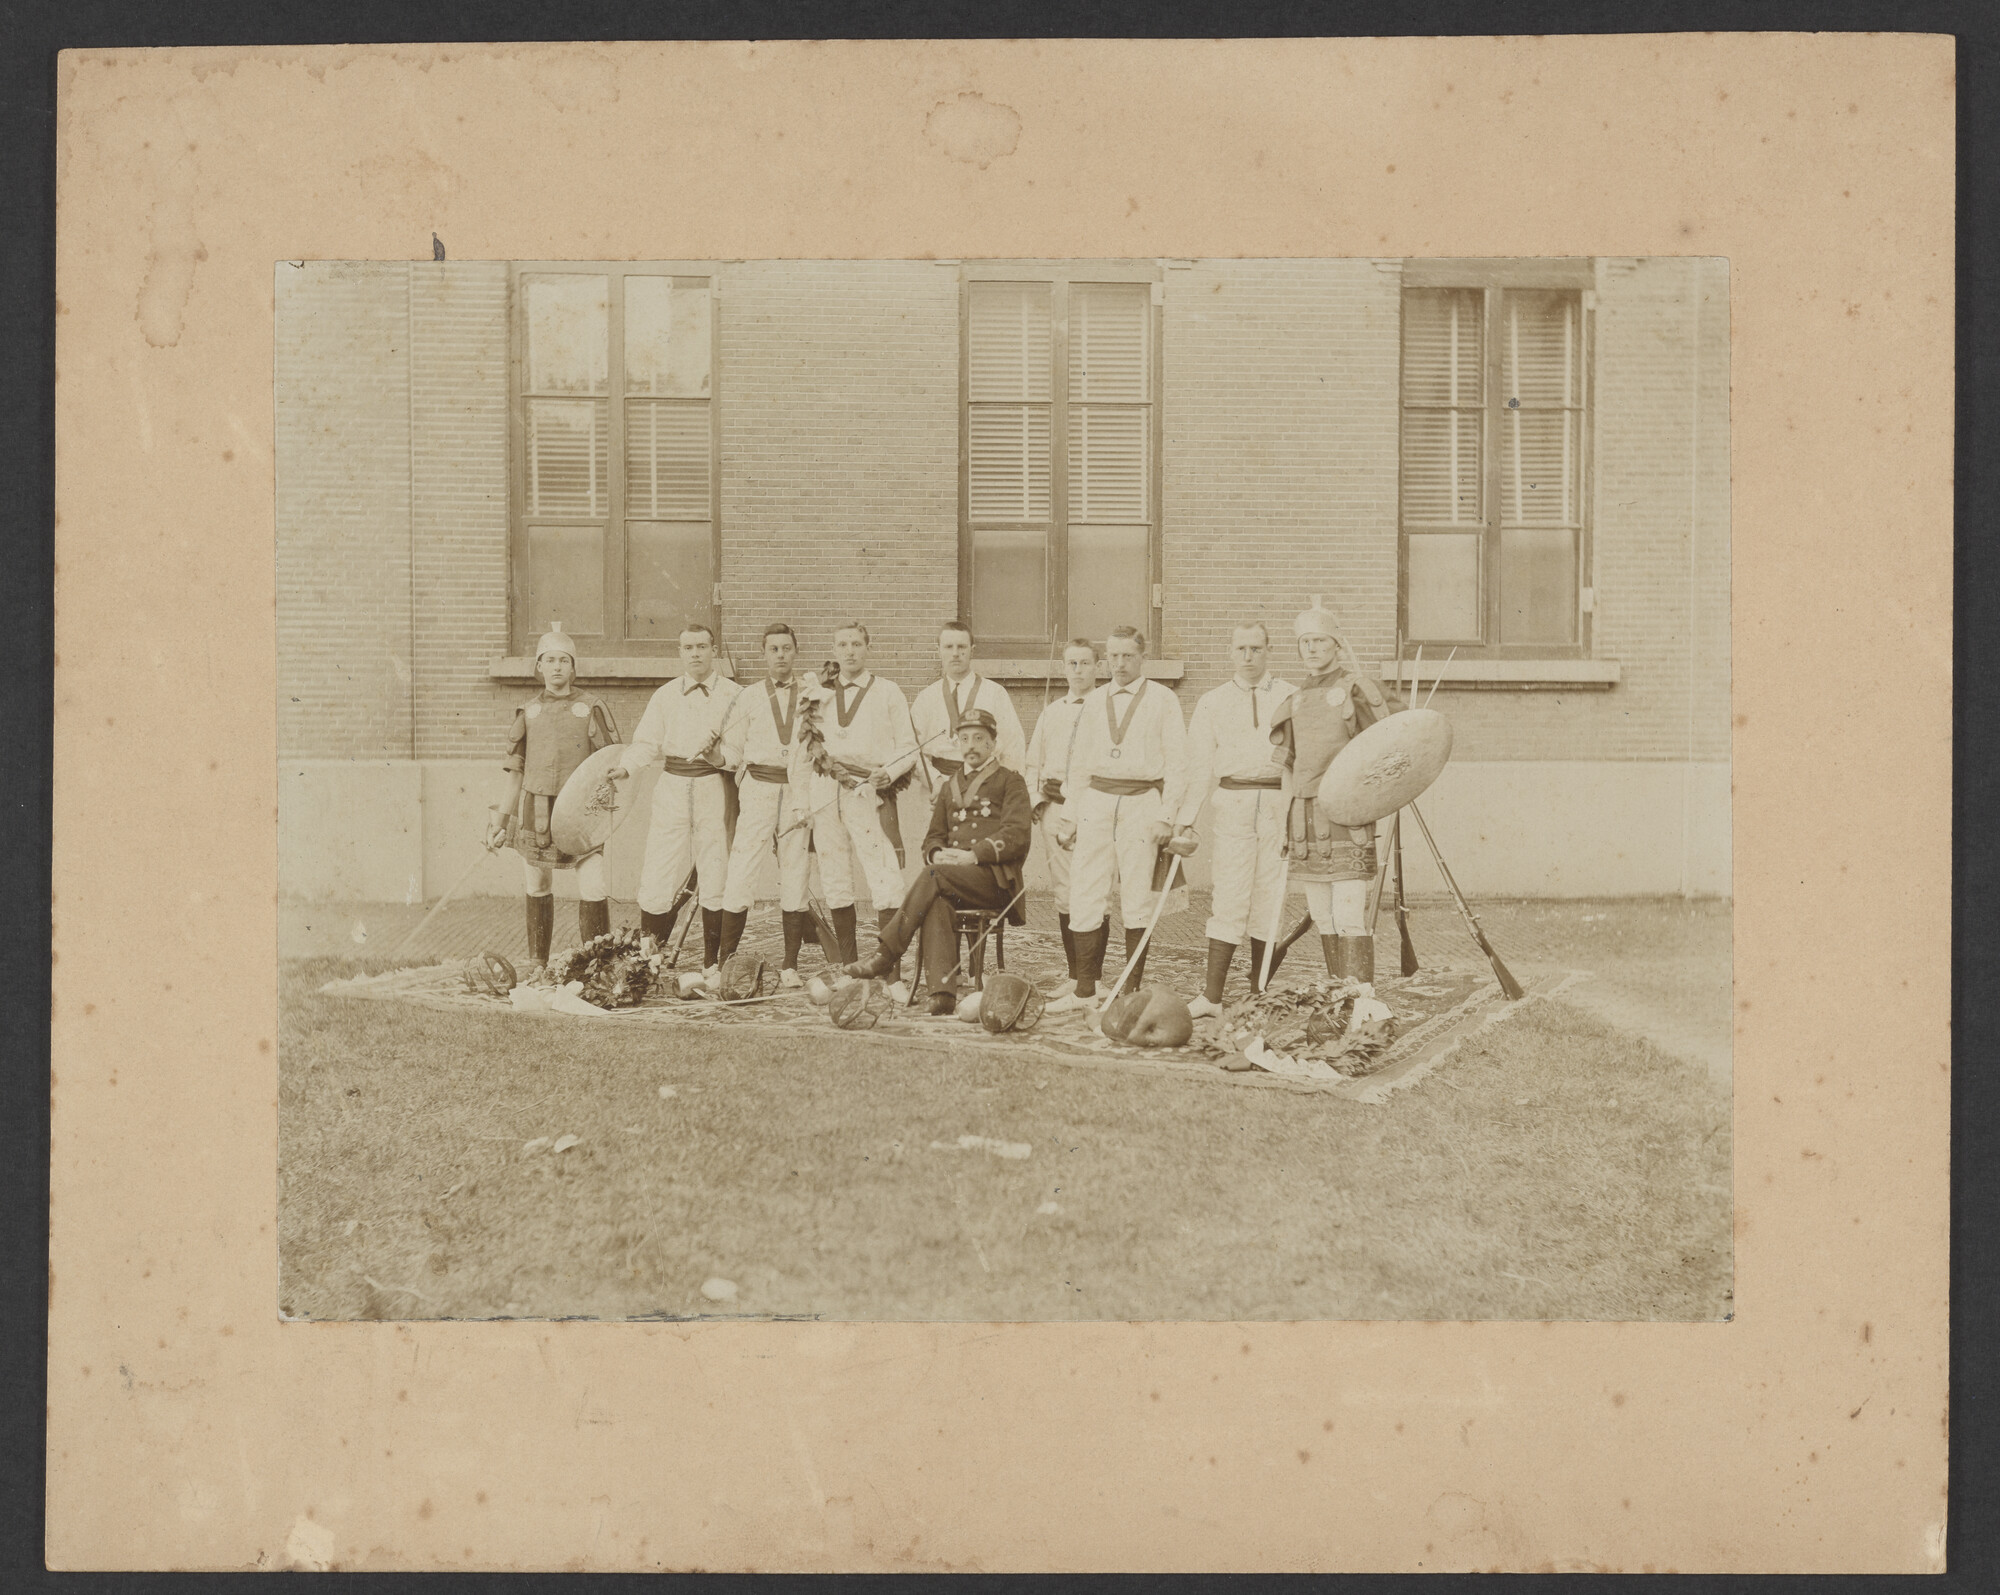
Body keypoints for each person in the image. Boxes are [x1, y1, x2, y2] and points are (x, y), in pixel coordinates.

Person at [840, 709, 1031, 1016]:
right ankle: (942, 993)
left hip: (992, 880)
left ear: (993, 744)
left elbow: (1017, 834)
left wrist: (973, 855)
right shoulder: (949, 786)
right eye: (965, 738)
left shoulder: (1010, 781)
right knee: (936, 897)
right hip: (949, 877)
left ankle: (885, 954)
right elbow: (933, 837)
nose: (971, 745)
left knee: (933, 878)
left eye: (979, 739)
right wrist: (936, 853)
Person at [1044, 625, 1190, 1014]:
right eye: (1113, 656)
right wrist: (1070, 815)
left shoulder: (1162, 699)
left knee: (1136, 895)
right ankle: (1085, 990)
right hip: (1096, 800)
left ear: (1142, 657)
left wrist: (1166, 815)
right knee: (1085, 890)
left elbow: (1178, 763)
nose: (1119, 664)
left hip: (1141, 802)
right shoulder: (1094, 701)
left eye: (1128, 656)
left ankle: (1130, 992)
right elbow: (1078, 764)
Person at [712, 623, 853, 986]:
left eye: (786, 649)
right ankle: (725, 960)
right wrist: (716, 755)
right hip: (758, 789)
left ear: (795, 652)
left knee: (796, 873)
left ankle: (790, 965)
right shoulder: (748, 697)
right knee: (742, 868)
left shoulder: (812, 692)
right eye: (773, 649)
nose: (780, 656)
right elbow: (732, 752)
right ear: (764, 654)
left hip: (798, 791)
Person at [609, 622, 741, 985]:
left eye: (702, 646)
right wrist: (626, 768)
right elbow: (646, 742)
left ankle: (713, 962)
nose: (696, 653)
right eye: (688, 648)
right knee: (659, 864)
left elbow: (738, 751)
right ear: (680, 653)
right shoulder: (665, 695)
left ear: (714, 650)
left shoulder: (733, 695)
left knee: (715, 865)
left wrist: (719, 756)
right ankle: (647, 960)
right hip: (671, 786)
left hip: (712, 786)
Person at [1267, 598, 1391, 981]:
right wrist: (1281, 823)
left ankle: (1361, 1003)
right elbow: (1288, 770)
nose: (1312, 649)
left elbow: (1382, 751)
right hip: (1304, 821)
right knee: (1323, 916)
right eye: (1305, 642)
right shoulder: (1295, 700)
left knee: (1350, 913)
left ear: (1337, 644)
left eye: (1320, 641)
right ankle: (1341, 995)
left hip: (1346, 818)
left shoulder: (1355, 689)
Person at [488, 624, 621, 970]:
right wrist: (500, 823)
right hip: (536, 813)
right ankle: (537, 962)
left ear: (573, 667)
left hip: (579, 814)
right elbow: (515, 776)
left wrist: (601, 815)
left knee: (593, 884)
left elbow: (610, 766)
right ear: (539, 666)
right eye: (550, 660)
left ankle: (598, 965)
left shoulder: (591, 707)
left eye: (564, 660)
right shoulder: (527, 712)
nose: (558, 666)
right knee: (537, 883)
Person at [1181, 622, 1297, 1017]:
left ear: (1269, 650)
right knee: (1229, 894)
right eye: (1241, 649)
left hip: (1278, 802)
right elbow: (1198, 765)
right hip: (1233, 800)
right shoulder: (1212, 701)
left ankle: (1258, 993)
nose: (1248, 657)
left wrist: (1295, 812)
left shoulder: (1289, 696)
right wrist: (1186, 818)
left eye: (1256, 649)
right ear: (1230, 652)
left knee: (1269, 896)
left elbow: (1301, 759)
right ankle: (1212, 997)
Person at [814, 621, 920, 1003]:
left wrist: (887, 772)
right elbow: (803, 746)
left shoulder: (888, 691)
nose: (850, 651)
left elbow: (908, 747)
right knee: (835, 877)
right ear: (834, 648)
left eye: (857, 644)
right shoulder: (819, 693)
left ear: (868, 648)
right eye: (842, 644)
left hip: (867, 789)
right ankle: (849, 970)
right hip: (825, 789)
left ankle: (891, 975)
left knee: (885, 879)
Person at [1022, 637, 1099, 993]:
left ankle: (1093, 978)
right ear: (1064, 667)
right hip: (1054, 806)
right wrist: (1037, 799)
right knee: (1065, 893)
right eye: (1072, 664)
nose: (1079, 670)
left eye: (1085, 663)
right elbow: (1034, 761)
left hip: (1093, 808)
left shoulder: (1105, 708)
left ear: (1098, 667)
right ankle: (1074, 977)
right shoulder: (1052, 712)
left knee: (1094, 891)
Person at [908, 619, 1026, 783]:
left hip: (985, 783)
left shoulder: (995, 693)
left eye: (961, 647)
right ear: (939, 651)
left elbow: (1013, 747)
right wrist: (935, 781)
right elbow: (912, 748)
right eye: (949, 647)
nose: (955, 653)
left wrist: (1000, 787)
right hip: (937, 785)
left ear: (972, 650)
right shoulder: (927, 697)